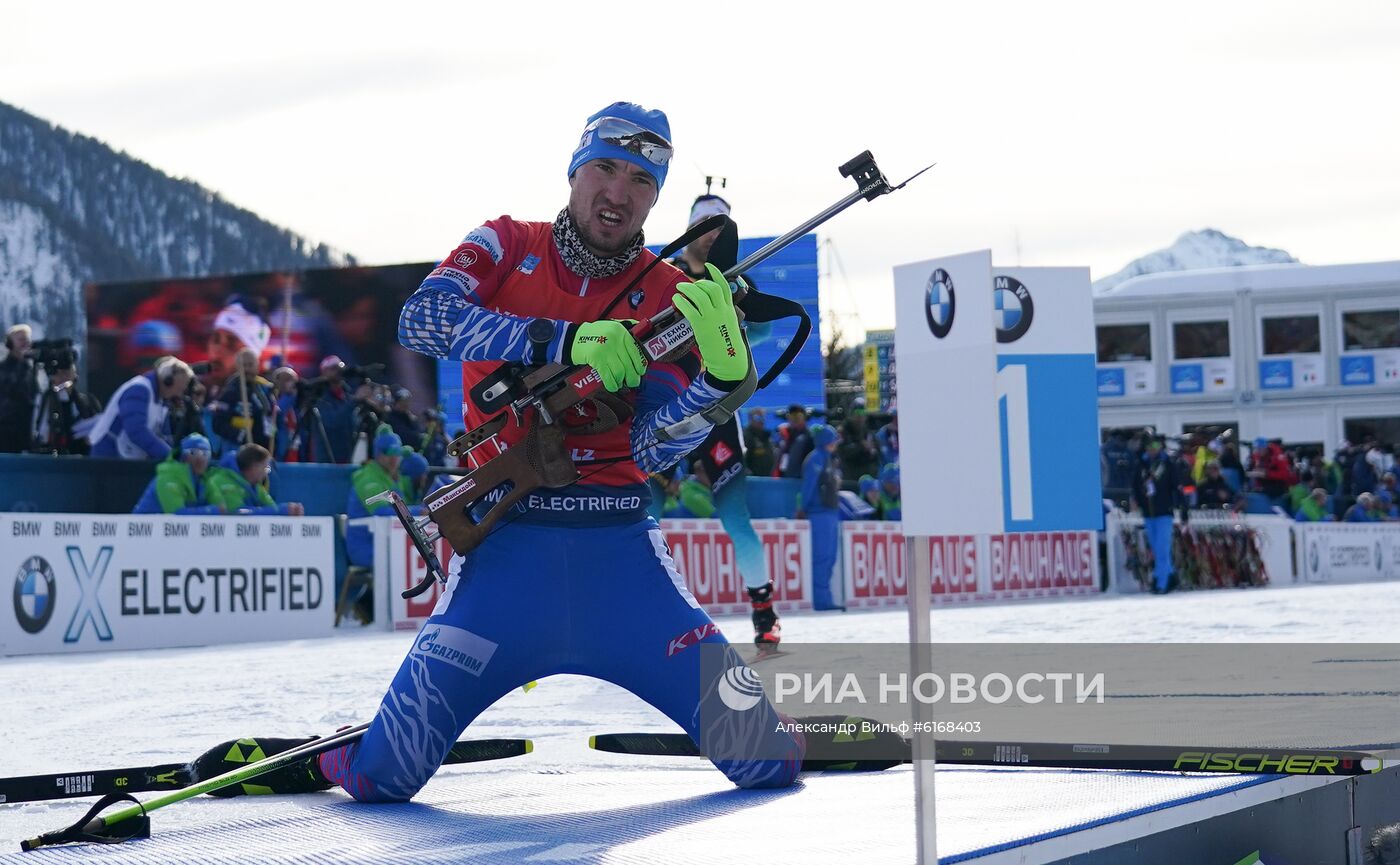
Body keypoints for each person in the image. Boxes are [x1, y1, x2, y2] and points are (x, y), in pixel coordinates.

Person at [313, 102, 805, 804]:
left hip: (624, 564)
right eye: (605, 166)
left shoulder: (670, 295)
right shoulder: (506, 243)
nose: (619, 190)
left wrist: (721, 384)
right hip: (505, 562)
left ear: (657, 196)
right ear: (575, 170)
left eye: (642, 178)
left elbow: (649, 446)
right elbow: (420, 319)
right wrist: (559, 341)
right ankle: (340, 750)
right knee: (382, 777)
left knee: (768, 760)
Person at [670, 193, 782, 651]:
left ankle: (763, 611)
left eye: (724, 227)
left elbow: (767, 329)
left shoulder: (735, 278)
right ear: (693, 228)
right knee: (639, 511)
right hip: (663, 406)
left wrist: (739, 319)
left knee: (736, 518)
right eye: (708, 225)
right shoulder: (663, 272)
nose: (716, 235)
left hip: (716, 412)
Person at [85, 357, 194, 460]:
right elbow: (137, 431)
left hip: (125, 459)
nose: (180, 394)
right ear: (168, 381)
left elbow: (163, 436)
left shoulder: (162, 400)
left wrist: (178, 454)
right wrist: (170, 456)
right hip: (108, 456)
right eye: (180, 389)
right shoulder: (139, 390)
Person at [797, 423, 842, 610]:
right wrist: (802, 507)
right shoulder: (816, 458)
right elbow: (808, 486)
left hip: (831, 513)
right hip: (819, 514)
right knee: (822, 557)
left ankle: (826, 598)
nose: (835, 444)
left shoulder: (829, 459)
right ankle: (820, 600)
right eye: (832, 440)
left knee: (830, 557)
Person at [1133, 436, 1185, 594]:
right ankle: (1170, 575)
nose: (1152, 449)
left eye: (1155, 445)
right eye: (1149, 446)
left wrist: (1183, 509)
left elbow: (1177, 487)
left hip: (1164, 512)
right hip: (1149, 513)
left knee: (1162, 548)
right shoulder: (1141, 464)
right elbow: (1135, 486)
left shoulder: (1168, 464)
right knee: (1156, 549)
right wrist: (1136, 501)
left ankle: (1160, 583)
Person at [131, 433, 225, 515]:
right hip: (142, 532)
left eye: (205, 454)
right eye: (193, 453)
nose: (200, 458)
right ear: (183, 456)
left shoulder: (205, 479)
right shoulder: (168, 477)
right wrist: (211, 510)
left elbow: (222, 509)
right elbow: (176, 515)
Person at [206, 443, 305, 516]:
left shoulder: (255, 486)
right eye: (266, 468)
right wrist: (280, 511)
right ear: (254, 467)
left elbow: (271, 508)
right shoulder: (222, 481)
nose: (267, 472)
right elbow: (237, 513)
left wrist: (290, 510)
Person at [211, 348, 275, 454]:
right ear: (237, 367)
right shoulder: (230, 391)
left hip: (262, 450)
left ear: (257, 366)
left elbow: (271, 416)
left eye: (250, 365)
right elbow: (218, 424)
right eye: (243, 365)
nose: (247, 369)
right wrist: (241, 435)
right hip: (237, 451)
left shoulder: (264, 389)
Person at [0, 324, 37, 453]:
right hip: (6, 430)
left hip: (26, 428)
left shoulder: (31, 369)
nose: (25, 343)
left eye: (27, 339)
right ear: (10, 343)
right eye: (20, 339)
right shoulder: (3, 368)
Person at [777, 404, 812, 478]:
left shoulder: (809, 437)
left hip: (800, 478)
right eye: (792, 417)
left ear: (804, 418)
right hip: (785, 476)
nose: (794, 420)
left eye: (798, 417)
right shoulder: (786, 435)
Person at [743, 408, 776, 477]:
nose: (761, 421)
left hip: (768, 478)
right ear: (750, 419)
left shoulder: (767, 437)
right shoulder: (745, 436)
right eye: (757, 418)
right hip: (752, 480)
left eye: (763, 417)